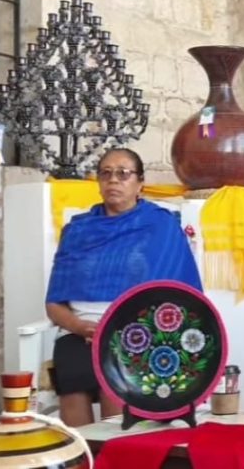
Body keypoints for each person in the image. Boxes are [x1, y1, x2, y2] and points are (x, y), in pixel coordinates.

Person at [45, 148, 202, 427]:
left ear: (140, 183)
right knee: (72, 381)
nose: (113, 180)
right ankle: (83, 456)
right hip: (79, 330)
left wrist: (127, 326)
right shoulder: (78, 231)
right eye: (105, 173)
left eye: (123, 174)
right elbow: (54, 304)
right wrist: (81, 328)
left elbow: (180, 295)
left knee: (115, 385)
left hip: (137, 329)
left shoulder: (160, 226)